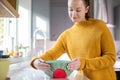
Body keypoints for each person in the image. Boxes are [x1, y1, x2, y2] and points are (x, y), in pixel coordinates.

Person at [30, 0, 117, 80]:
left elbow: (111, 58)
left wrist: (84, 63)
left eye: (78, 10)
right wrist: (35, 61)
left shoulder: (99, 26)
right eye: (70, 9)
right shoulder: (66, 35)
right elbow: (51, 54)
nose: (74, 14)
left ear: (86, 9)